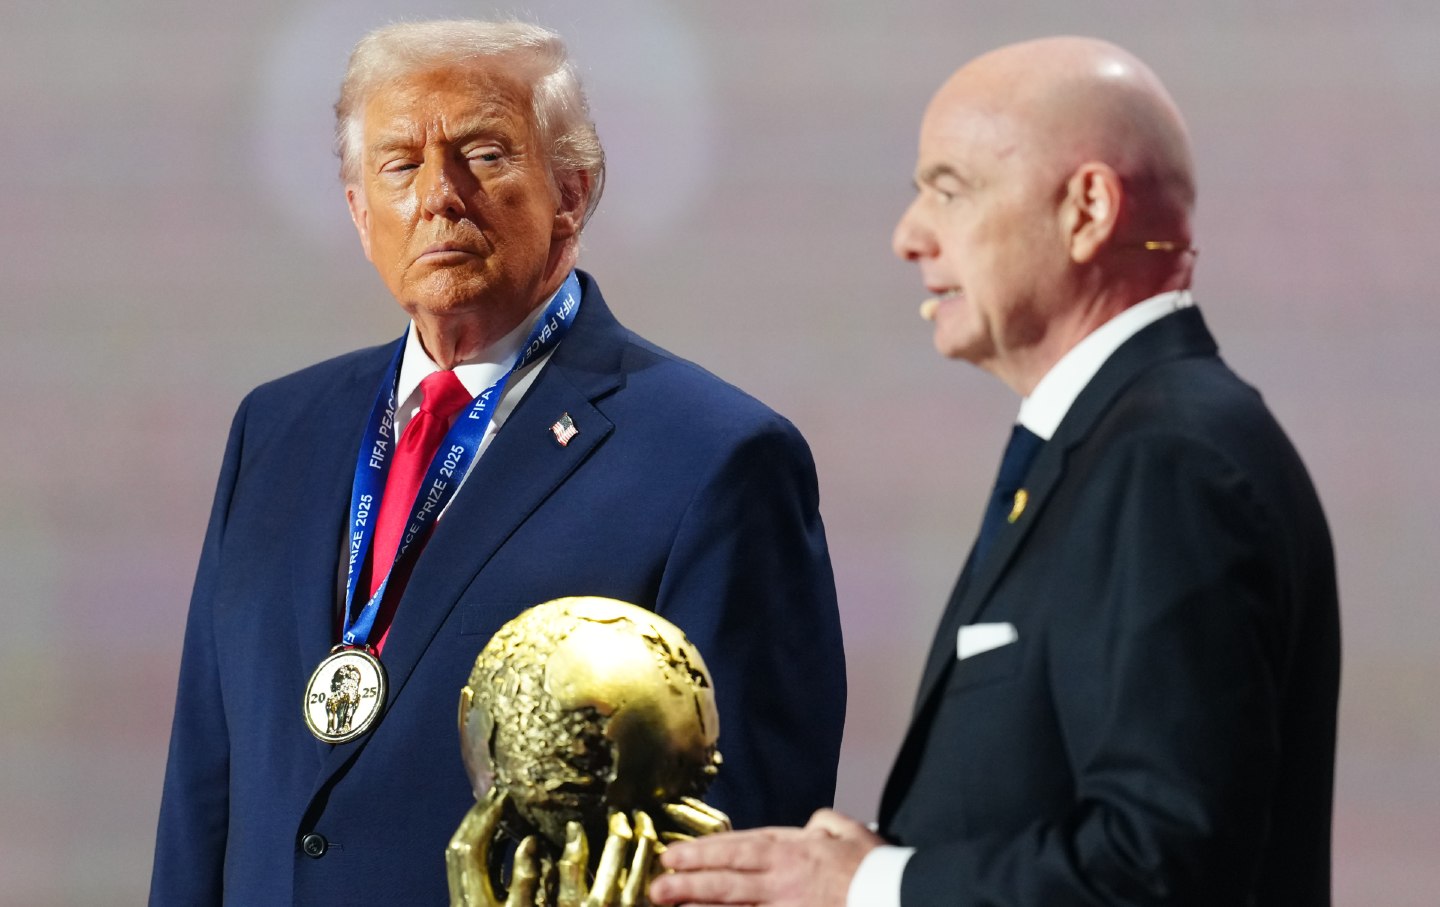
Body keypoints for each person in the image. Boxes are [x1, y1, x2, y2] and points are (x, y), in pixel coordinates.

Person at [149, 20, 846, 906]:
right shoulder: (276, 429)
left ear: (571, 193)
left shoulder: (715, 457)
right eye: (400, 164)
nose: (439, 195)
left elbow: (733, 841)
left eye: (483, 155)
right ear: (360, 210)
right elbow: (203, 788)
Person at [650, 36, 1339, 907]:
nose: (909, 236)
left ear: (1088, 210)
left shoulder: (1166, 459)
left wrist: (873, 884)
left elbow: (1160, 866)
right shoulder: (1114, 443)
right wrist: (893, 858)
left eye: (950, 188)